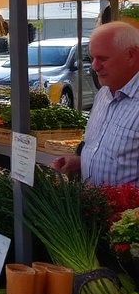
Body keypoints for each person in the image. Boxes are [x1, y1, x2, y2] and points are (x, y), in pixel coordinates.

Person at [52, 21, 139, 186]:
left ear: (131, 55)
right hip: (91, 200)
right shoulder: (103, 94)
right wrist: (81, 161)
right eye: (92, 58)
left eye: (103, 59)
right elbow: (106, 150)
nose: (94, 66)